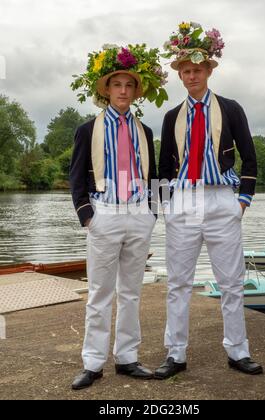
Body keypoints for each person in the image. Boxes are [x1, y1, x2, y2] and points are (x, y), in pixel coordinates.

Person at [155, 22, 263, 379]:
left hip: (221, 200)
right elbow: (163, 167)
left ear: (208, 70)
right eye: (186, 71)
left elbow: (250, 157)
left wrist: (242, 201)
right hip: (184, 201)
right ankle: (176, 354)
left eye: (197, 70)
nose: (192, 76)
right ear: (181, 76)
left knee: (232, 281)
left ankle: (238, 351)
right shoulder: (172, 117)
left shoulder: (231, 109)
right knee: (178, 283)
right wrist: (165, 207)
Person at [70, 44, 166, 389]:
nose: (123, 91)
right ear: (107, 91)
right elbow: (76, 176)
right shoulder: (87, 130)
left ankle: (127, 358)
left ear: (135, 92)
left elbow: (155, 175)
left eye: (129, 86)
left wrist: (154, 212)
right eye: (117, 85)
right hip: (105, 214)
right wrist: (87, 217)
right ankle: (93, 364)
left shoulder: (146, 131)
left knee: (132, 292)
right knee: (99, 293)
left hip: (139, 213)